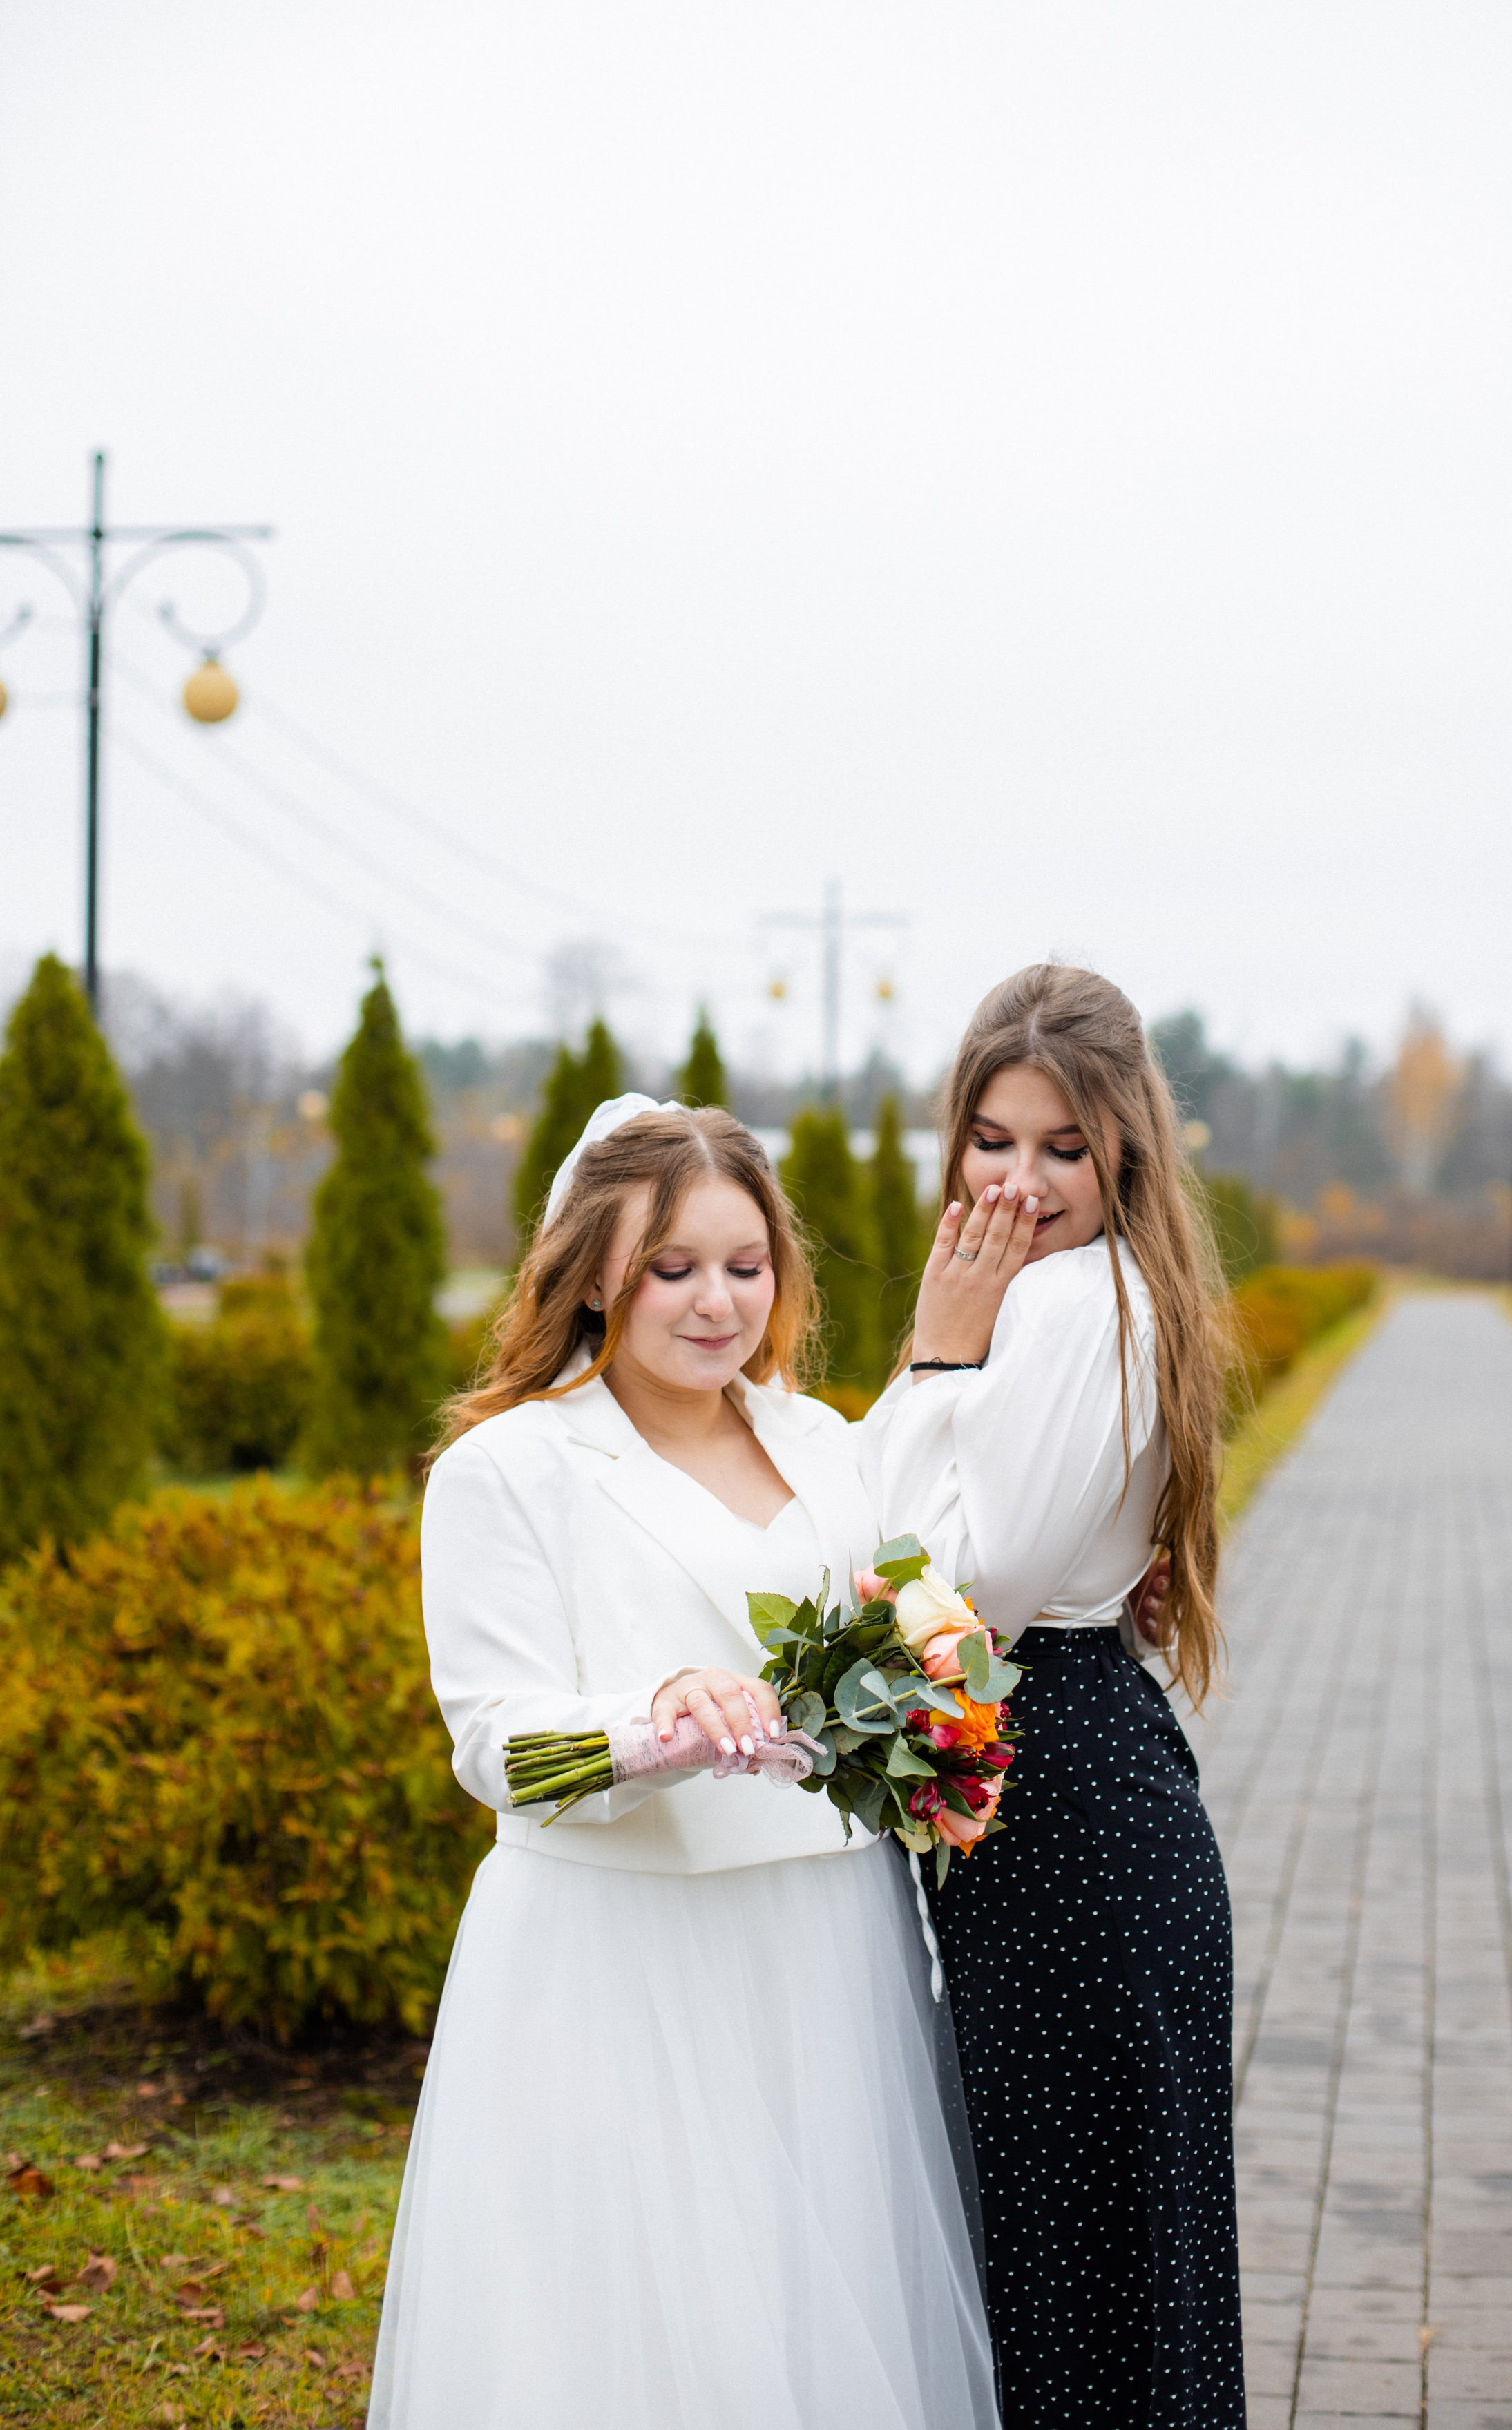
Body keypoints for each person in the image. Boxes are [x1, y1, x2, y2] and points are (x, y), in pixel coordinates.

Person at [370, 1096, 998, 2430]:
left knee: (822, 2313)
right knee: (638, 2331)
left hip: (830, 1943)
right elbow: (492, 1744)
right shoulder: (506, 1469)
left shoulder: (823, 1443)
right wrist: (653, 1721)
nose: (718, 1301)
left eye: (745, 1264)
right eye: (674, 1268)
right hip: (617, 1954)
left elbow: (917, 1611)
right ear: (597, 1272)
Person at [857, 966, 1246, 2430]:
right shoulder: (1058, 1292)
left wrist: (938, 1353)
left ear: (1123, 1148)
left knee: (1075, 2277)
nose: (1018, 1182)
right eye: (992, 1140)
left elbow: (965, 1588)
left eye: (1062, 1148)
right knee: (1087, 2266)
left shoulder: (1077, 1303)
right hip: (1068, 1805)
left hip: (1071, 1827)